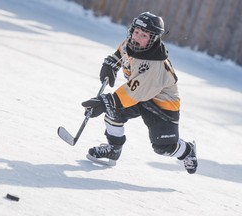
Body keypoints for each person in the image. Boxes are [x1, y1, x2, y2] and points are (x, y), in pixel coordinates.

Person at [82, 12, 198, 174]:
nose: (137, 37)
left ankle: (187, 150)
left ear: (154, 39)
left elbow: (132, 93)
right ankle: (113, 149)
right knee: (113, 111)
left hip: (162, 104)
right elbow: (121, 52)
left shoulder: (154, 65)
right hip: (139, 94)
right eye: (136, 32)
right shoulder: (130, 44)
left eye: (144, 35)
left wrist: (103, 102)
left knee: (162, 147)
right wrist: (111, 63)